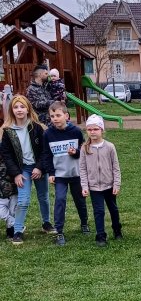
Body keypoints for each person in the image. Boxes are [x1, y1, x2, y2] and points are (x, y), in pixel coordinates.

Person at [0, 95, 55, 245]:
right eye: (16, 107)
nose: (19, 110)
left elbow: (45, 151)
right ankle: (17, 231)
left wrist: (39, 167)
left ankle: (46, 223)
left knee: (43, 196)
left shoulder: (37, 128)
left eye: (22, 107)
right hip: (21, 169)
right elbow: (7, 155)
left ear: (28, 109)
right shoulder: (8, 131)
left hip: (37, 167)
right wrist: (16, 173)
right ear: (12, 110)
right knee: (23, 201)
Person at [42, 101, 89, 246]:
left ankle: (84, 223)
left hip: (76, 174)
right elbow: (46, 155)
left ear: (66, 116)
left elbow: (82, 152)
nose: (55, 118)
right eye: (52, 116)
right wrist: (51, 173)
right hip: (59, 175)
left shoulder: (75, 132)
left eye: (58, 115)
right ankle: (59, 231)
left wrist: (76, 152)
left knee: (80, 200)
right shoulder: (48, 134)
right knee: (60, 200)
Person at [80, 115, 122, 247]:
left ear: (102, 130)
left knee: (113, 209)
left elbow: (116, 167)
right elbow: (82, 169)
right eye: (89, 129)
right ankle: (100, 235)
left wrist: (116, 184)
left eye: (95, 129)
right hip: (94, 188)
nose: (92, 132)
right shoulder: (84, 148)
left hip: (109, 186)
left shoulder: (110, 147)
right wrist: (84, 186)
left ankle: (117, 229)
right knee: (99, 211)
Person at [0, 149, 17, 240]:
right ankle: (17, 225)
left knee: (12, 212)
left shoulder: (11, 161)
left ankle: (11, 232)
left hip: (13, 191)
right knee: (2, 213)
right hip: (1, 195)